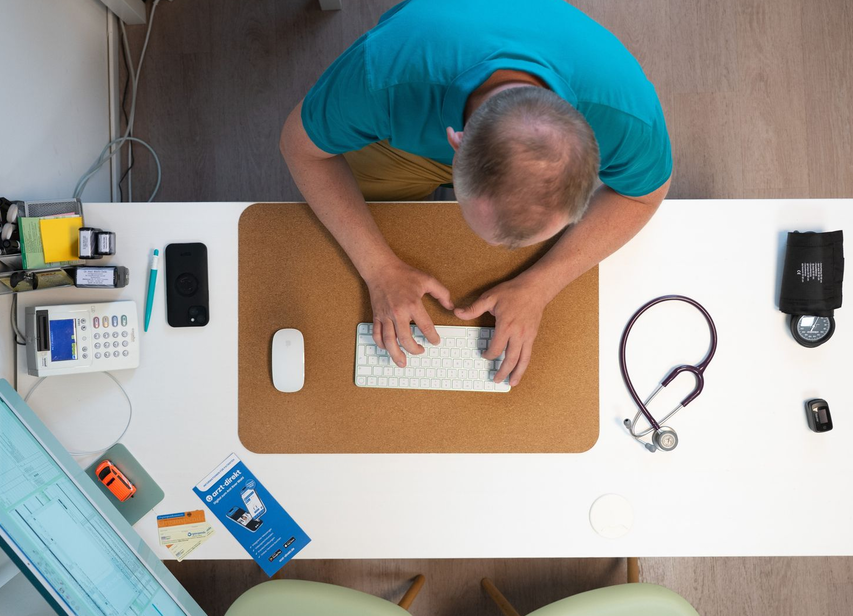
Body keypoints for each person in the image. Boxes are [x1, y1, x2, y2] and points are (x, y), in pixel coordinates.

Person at [280, 0, 671, 386]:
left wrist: (541, 284)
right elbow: (300, 147)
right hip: (405, 127)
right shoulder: (383, 75)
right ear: (455, 142)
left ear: (592, 164)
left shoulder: (625, 115)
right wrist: (378, 268)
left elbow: (644, 194)